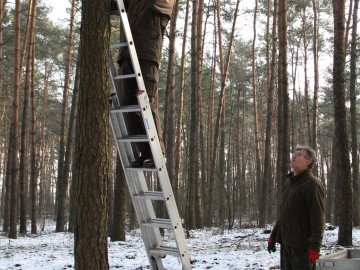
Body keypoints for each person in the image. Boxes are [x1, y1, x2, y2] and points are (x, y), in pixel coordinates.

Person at [110, 0, 174, 167]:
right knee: (129, 105)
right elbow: (112, 6)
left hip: (146, 53)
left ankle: (157, 152)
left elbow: (161, 5)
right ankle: (145, 151)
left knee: (146, 102)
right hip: (126, 53)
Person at [267, 145, 325, 270]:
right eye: (294, 152)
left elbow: (318, 218)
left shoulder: (311, 184)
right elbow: (285, 214)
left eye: (299, 154)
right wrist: (274, 235)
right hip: (286, 244)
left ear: (307, 161)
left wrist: (315, 247)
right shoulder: (289, 182)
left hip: (303, 247)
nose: (293, 155)